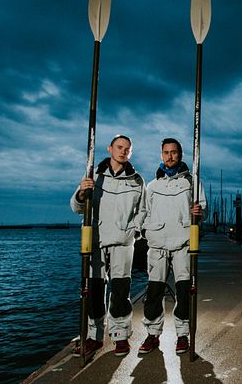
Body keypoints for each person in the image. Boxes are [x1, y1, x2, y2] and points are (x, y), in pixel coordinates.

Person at [70, 134, 146, 357]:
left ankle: (121, 337)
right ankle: (94, 337)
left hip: (123, 241)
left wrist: (135, 229)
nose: (123, 151)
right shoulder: (93, 176)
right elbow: (76, 207)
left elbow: (143, 210)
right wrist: (82, 193)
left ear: (130, 153)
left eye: (127, 149)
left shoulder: (136, 179)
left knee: (121, 290)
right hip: (97, 239)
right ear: (110, 148)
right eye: (119, 147)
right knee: (94, 290)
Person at [139, 138, 206, 355]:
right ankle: (152, 334)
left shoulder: (192, 182)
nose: (170, 156)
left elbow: (201, 209)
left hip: (183, 242)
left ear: (181, 154)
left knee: (184, 291)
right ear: (161, 155)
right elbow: (144, 212)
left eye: (174, 152)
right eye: (166, 152)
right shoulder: (152, 185)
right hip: (157, 243)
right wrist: (145, 232)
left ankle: (183, 335)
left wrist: (198, 213)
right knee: (154, 291)